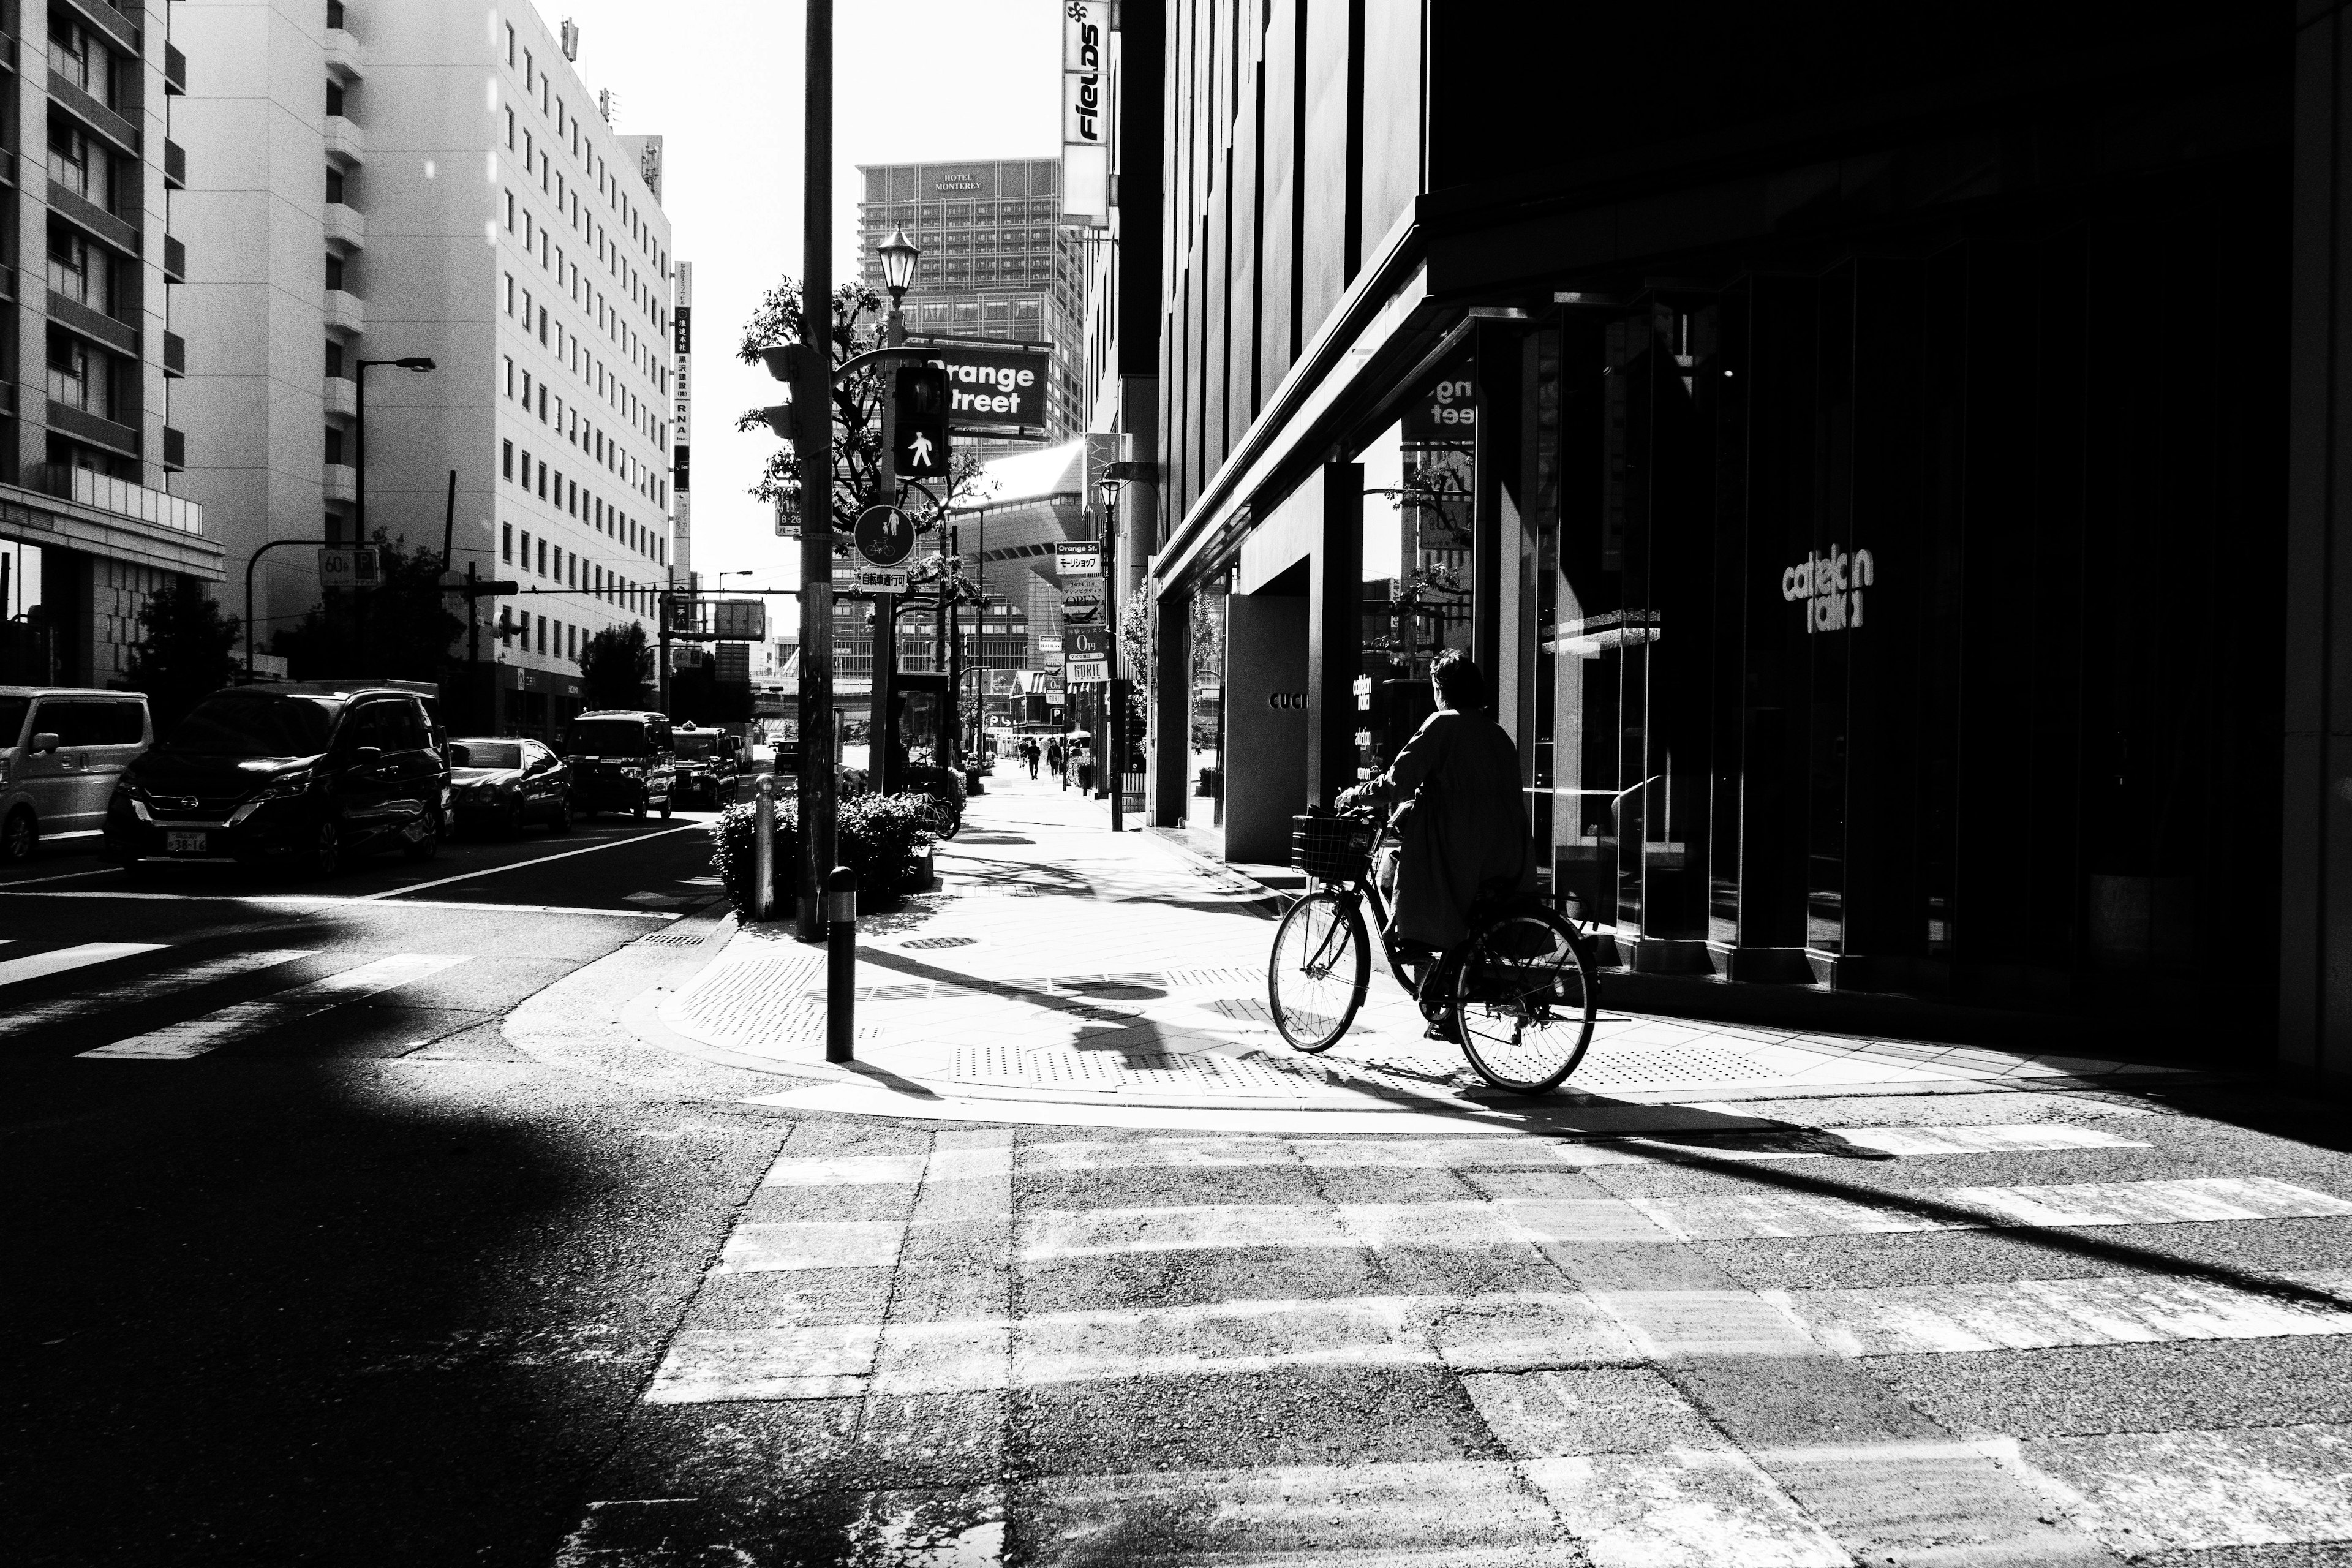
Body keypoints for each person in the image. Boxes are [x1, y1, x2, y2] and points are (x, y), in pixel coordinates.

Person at [1339, 650, 1530, 1039]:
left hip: (1456, 853)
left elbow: (1396, 782)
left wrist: (1356, 796)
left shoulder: (1442, 725)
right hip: (1505, 853)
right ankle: (1444, 1006)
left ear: (1441, 690)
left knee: (1397, 877)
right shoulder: (1497, 734)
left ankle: (1425, 974)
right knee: (1465, 921)